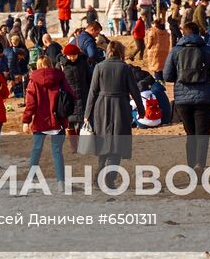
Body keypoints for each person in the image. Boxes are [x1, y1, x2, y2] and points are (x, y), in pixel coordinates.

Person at [162, 21, 210, 171]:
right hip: (204, 97)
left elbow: (167, 76)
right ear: (198, 33)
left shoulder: (176, 51)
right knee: (203, 134)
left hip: (183, 99)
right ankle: (200, 164)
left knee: (190, 134)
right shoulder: (207, 50)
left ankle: (191, 165)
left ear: (184, 34)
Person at [83, 41, 145, 182]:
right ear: (121, 52)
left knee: (104, 143)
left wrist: (87, 114)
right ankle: (108, 179)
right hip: (120, 106)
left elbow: (92, 92)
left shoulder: (99, 67)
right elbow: (134, 91)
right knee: (117, 144)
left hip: (101, 107)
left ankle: (98, 176)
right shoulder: (125, 68)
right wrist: (141, 110)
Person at [22, 55, 74, 181]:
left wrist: (26, 120)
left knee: (36, 149)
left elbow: (31, 103)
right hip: (58, 120)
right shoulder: (60, 78)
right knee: (57, 152)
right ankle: (61, 181)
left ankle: (31, 176)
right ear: (50, 64)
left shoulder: (33, 81)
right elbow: (71, 96)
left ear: (38, 66)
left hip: (41, 120)